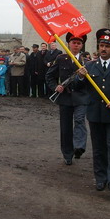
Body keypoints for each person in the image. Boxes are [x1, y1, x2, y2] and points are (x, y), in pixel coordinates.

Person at [77, 29, 110, 192]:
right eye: (101, 45)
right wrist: (80, 77)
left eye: (107, 46)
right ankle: (100, 178)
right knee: (99, 147)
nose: (104, 49)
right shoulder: (89, 66)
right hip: (95, 114)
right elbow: (79, 87)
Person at [45, 33, 88, 165]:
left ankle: (79, 147)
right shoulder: (61, 58)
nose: (76, 45)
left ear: (82, 45)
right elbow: (49, 76)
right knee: (66, 127)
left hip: (81, 97)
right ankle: (67, 154)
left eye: (79, 43)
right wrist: (55, 86)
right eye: (74, 42)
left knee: (80, 120)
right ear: (68, 44)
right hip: (65, 98)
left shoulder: (86, 61)